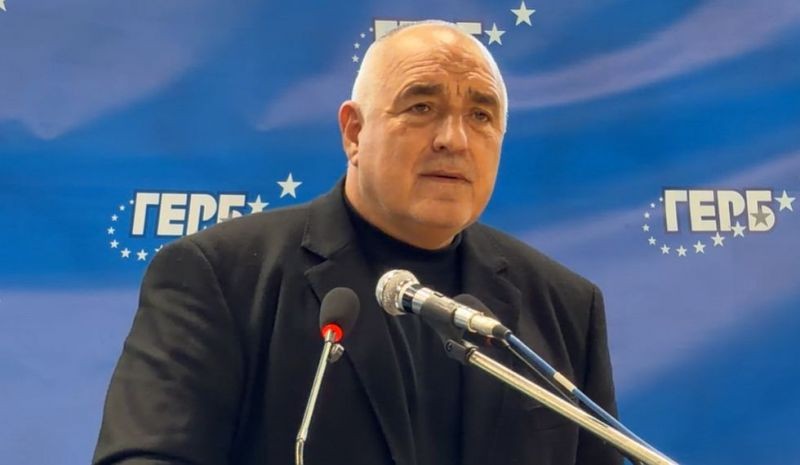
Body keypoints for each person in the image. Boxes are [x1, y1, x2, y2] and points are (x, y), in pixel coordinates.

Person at [94, 21, 622, 465]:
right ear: (353, 132)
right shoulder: (220, 275)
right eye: (421, 107)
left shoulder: (564, 306)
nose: (454, 139)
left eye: (481, 116)